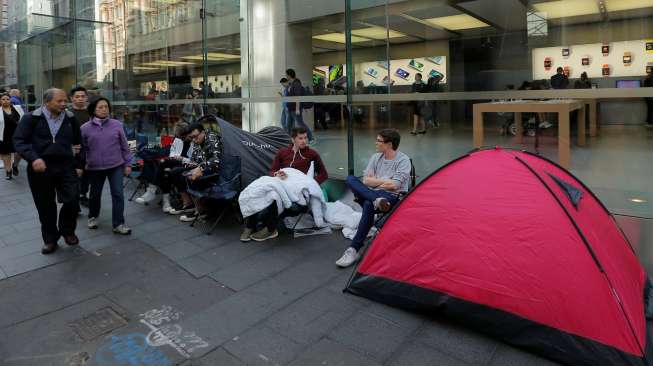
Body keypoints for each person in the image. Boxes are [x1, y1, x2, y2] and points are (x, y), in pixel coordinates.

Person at [13, 88, 83, 254]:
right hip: (40, 168)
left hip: (66, 166)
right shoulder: (31, 118)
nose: (64, 104)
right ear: (46, 102)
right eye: (59, 101)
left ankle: (67, 230)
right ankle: (51, 239)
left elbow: (80, 144)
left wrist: (80, 165)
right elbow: (19, 141)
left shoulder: (71, 118)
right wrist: (34, 158)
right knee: (45, 205)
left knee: (73, 199)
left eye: (65, 100)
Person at [335, 129, 411, 268]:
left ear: (389, 144)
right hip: (375, 195)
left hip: (391, 196)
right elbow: (365, 181)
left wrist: (375, 180)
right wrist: (383, 181)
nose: (376, 143)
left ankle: (353, 250)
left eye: (379, 141)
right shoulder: (376, 157)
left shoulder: (403, 160)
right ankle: (375, 200)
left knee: (369, 205)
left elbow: (395, 185)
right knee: (350, 179)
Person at [240, 126, 328, 242]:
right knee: (259, 190)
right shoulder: (283, 152)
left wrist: (310, 184)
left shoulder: (312, 154)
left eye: (306, 138)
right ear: (293, 139)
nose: (304, 141)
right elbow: (272, 171)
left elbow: (324, 174)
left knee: (274, 195)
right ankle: (249, 226)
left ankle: (270, 229)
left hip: (298, 189)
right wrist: (277, 174)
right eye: (300, 138)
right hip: (281, 182)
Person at [81, 97, 133, 235]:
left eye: (106, 107)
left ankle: (118, 224)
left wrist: (128, 163)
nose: (104, 109)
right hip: (94, 167)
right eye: (100, 107)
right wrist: (84, 163)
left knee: (118, 194)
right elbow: (82, 149)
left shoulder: (117, 124)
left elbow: (124, 146)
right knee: (94, 195)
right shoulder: (85, 128)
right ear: (93, 110)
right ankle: (93, 216)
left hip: (115, 165)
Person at [134, 122, 194, 213]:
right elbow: (149, 147)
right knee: (165, 171)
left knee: (162, 164)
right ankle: (166, 203)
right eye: (178, 136)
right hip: (171, 162)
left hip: (183, 164)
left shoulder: (191, 142)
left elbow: (189, 158)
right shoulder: (171, 139)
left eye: (182, 137)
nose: (181, 138)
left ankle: (152, 191)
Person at [168, 123, 222, 222]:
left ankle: (201, 210)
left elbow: (216, 160)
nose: (193, 140)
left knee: (190, 176)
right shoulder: (197, 140)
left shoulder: (212, 138)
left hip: (214, 171)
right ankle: (188, 204)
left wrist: (200, 168)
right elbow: (195, 158)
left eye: (195, 136)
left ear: (203, 132)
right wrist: (191, 164)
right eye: (191, 137)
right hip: (201, 167)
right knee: (176, 172)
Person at [69, 86, 91, 206]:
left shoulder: (92, 112)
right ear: (72, 98)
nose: (80, 99)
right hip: (74, 150)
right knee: (75, 175)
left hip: (89, 149)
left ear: (86, 98)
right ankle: (74, 201)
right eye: (77, 97)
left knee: (87, 174)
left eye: (83, 96)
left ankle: (83, 195)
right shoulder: (67, 113)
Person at [286, 68, 315, 143]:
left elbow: (297, 97)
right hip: (290, 108)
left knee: (301, 123)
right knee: (289, 125)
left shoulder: (296, 83)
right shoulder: (291, 84)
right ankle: (290, 140)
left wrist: (297, 109)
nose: (286, 76)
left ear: (289, 75)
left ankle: (310, 137)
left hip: (295, 109)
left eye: (287, 75)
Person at [0, 93, 24, 179]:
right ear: (0, 101)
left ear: (10, 100)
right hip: (4, 135)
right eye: (3, 99)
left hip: (18, 134)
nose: (6, 101)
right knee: (6, 154)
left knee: (20, 152)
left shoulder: (18, 108)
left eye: (7, 99)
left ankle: (15, 165)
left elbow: (24, 119)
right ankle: (8, 171)